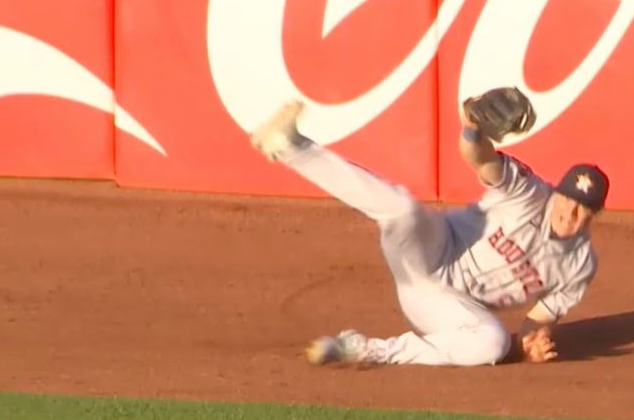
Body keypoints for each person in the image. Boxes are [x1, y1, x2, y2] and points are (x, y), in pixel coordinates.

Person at [247, 97, 609, 367]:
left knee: (494, 344)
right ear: (556, 192)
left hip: (442, 306)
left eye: (583, 209)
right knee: (402, 209)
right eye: (567, 200)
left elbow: (537, 322)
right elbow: (478, 156)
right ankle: (290, 147)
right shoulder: (529, 193)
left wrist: (532, 344)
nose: (570, 213)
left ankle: (366, 349)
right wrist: (472, 130)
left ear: (596, 214)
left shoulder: (579, 266)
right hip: (436, 248)